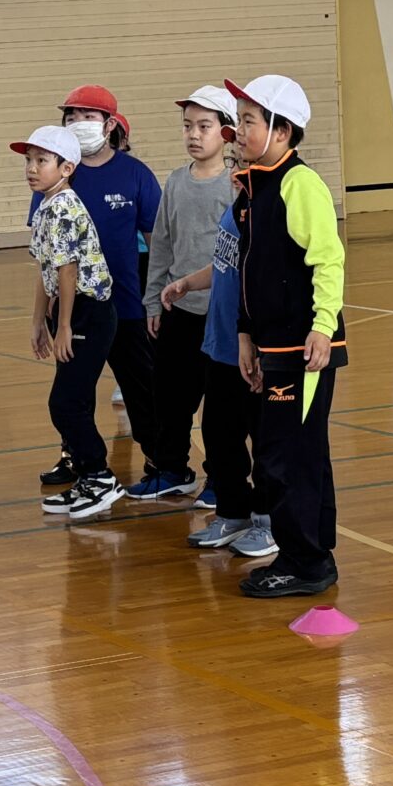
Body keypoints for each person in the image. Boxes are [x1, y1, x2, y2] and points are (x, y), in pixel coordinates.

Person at [227, 75, 347, 599]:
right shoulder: (253, 189)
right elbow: (253, 274)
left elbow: (329, 259)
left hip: (304, 351)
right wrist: (246, 335)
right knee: (299, 452)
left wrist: (323, 327)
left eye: (249, 120)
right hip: (271, 345)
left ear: (281, 131)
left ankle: (305, 563)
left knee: (285, 457)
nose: (239, 129)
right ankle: (312, 552)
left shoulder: (302, 185)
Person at [29, 85, 161, 491]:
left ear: (109, 124)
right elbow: (50, 260)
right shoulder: (55, 174)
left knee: (141, 387)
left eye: (86, 116)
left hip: (126, 303)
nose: (77, 124)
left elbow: (157, 240)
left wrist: (155, 296)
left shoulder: (135, 174)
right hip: (75, 309)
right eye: (71, 116)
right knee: (74, 391)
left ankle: (160, 457)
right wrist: (44, 316)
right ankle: (78, 459)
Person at [159, 136, 276, 558]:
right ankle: (233, 511)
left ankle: (267, 520)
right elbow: (227, 261)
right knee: (219, 433)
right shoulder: (239, 209)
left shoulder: (269, 211)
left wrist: (261, 344)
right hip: (221, 343)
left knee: (262, 439)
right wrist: (189, 281)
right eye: (233, 162)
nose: (234, 169)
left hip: (255, 349)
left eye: (239, 161)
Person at [17, 124, 125, 522]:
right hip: (70, 311)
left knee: (64, 403)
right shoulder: (46, 204)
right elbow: (45, 268)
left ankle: (99, 477)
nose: (31, 168)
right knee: (73, 400)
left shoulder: (63, 207)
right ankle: (87, 476)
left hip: (87, 313)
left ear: (66, 167)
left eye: (41, 161)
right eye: (29, 160)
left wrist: (63, 326)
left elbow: (67, 270)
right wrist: (36, 321)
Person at [136, 86, 238, 503]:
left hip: (222, 316)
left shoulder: (235, 183)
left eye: (204, 126)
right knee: (170, 398)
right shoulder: (175, 181)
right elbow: (161, 242)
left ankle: (222, 479)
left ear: (226, 132)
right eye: (187, 127)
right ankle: (172, 469)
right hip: (180, 310)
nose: (194, 134)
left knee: (221, 407)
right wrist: (154, 299)